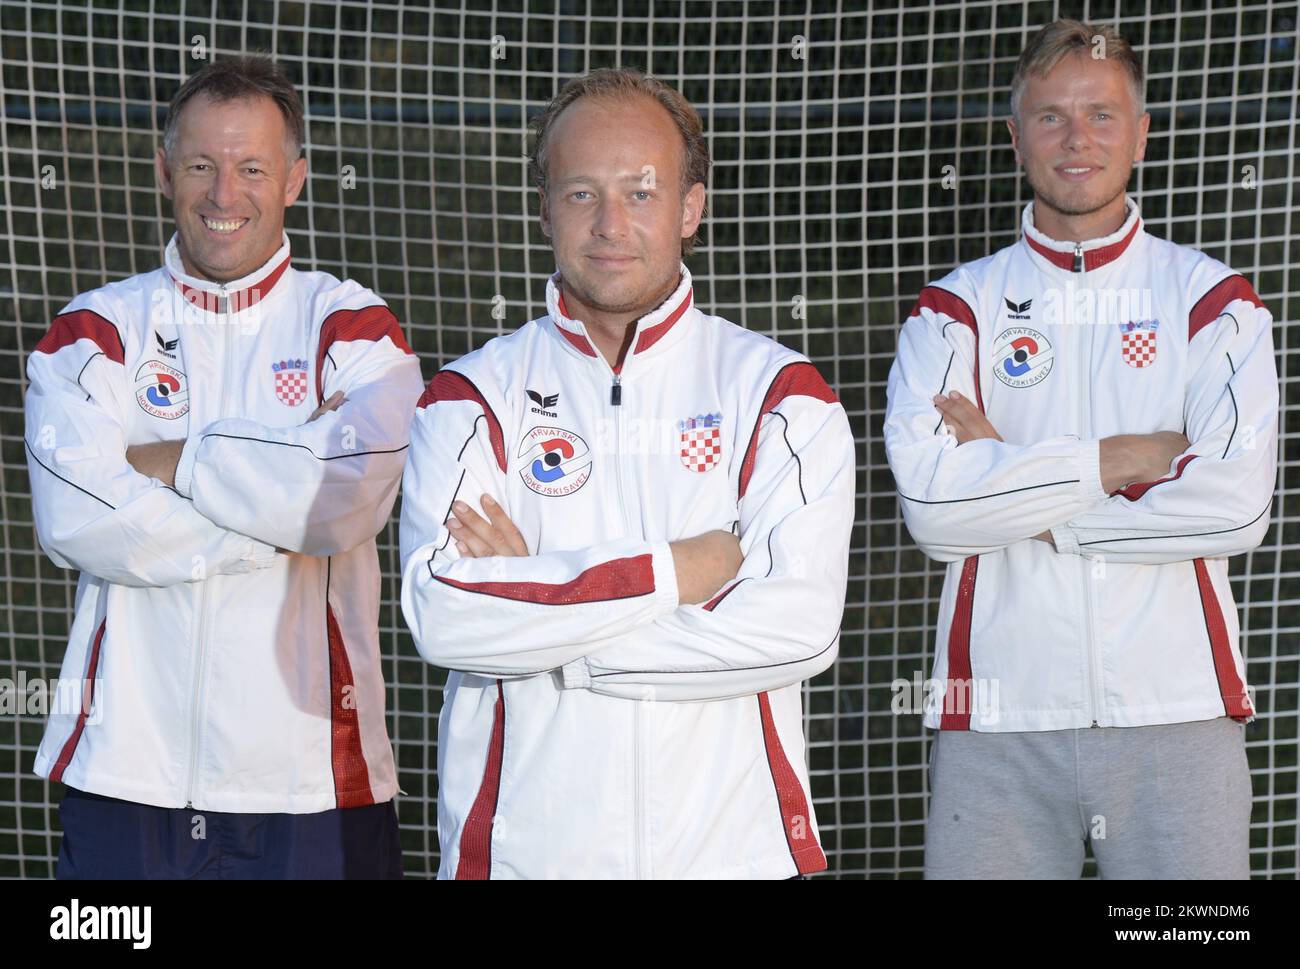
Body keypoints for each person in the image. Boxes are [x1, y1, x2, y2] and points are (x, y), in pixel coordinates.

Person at [399, 67, 855, 879]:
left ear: (691, 207)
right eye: (581, 193)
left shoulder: (781, 396)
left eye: (640, 193)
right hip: (522, 861)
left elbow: (800, 627)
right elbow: (443, 616)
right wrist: (679, 572)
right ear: (544, 207)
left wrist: (546, 629)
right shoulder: (468, 399)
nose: (610, 224)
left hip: (740, 858)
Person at [884, 19, 1278, 879]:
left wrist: (1025, 493)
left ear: (1141, 132)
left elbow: (1236, 506)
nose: (1077, 138)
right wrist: (1123, 457)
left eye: (1101, 114)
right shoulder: (954, 311)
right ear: (1015, 134)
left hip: (1179, 712)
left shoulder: (1215, 301)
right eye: (1051, 115)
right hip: (993, 717)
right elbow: (938, 513)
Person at [24, 55, 423, 878]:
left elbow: (344, 502)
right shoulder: (94, 331)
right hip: (124, 772)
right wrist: (276, 517)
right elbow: (74, 518)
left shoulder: (354, 330)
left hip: (315, 783)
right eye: (201, 165)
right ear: (166, 168)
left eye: (251, 168)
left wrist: (171, 462)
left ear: (296, 180)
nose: (222, 194)